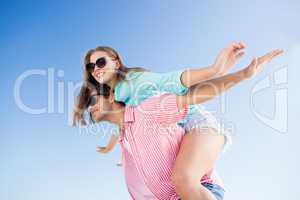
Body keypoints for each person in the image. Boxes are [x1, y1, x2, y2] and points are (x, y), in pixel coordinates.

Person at [73, 44, 283, 199]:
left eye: (101, 62)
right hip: (174, 127)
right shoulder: (121, 102)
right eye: (91, 66)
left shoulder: (135, 81)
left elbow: (175, 81)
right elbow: (122, 121)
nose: (96, 69)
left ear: (117, 62)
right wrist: (114, 144)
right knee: (181, 179)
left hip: (196, 122)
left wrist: (216, 70)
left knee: (183, 177)